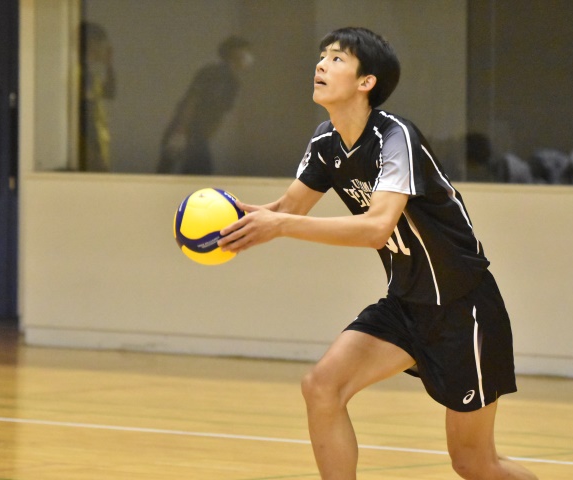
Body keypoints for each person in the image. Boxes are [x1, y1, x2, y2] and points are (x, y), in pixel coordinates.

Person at [218, 27, 539, 480]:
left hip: (463, 308)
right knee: (322, 387)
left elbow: (375, 227)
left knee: (474, 463)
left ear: (366, 81)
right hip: (405, 305)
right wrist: (232, 221)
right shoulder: (326, 143)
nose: (321, 65)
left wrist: (281, 226)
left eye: (337, 59)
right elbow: (287, 209)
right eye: (322, 56)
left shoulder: (395, 136)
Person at [157, 36, 253, 175]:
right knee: (175, 170)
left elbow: (220, 114)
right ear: (234, 53)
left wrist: (206, 136)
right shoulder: (211, 73)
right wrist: (180, 131)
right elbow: (192, 100)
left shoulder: (233, 84)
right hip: (186, 131)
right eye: (245, 52)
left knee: (196, 173)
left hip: (200, 135)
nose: (249, 58)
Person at [79, 21, 116, 172]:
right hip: (88, 145)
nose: (101, 50)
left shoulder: (91, 73)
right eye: (99, 45)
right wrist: (93, 154)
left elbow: (109, 93)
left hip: (97, 142)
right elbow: (84, 111)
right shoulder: (80, 73)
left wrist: (109, 65)